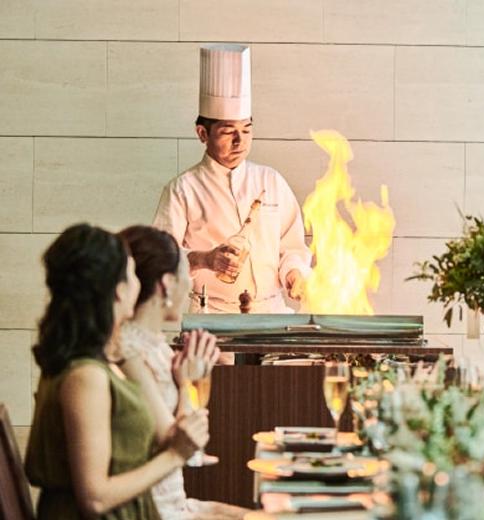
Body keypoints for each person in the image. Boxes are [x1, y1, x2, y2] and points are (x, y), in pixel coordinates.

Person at [25, 223, 208, 519]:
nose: (140, 284)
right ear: (118, 290)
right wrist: (175, 454)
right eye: (133, 273)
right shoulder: (87, 376)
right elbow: (95, 498)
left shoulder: (94, 364)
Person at [154, 44, 311, 314]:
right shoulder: (183, 189)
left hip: (270, 314)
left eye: (246, 130)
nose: (240, 141)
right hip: (212, 317)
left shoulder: (271, 181)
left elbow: (292, 245)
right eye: (228, 132)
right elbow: (158, 259)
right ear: (203, 133)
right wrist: (205, 259)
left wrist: (294, 275)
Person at [113, 225, 249, 519]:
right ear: (166, 284)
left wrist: (192, 378)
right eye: (187, 275)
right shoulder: (129, 350)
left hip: (176, 499)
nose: (191, 285)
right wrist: (189, 382)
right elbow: (178, 441)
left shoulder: (157, 345)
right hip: (156, 508)